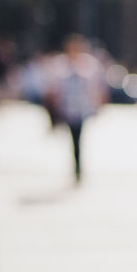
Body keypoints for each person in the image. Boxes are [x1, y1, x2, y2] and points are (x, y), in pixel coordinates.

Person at [49, 35, 106, 182]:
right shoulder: (61, 64)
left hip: (82, 108)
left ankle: (78, 167)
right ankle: (76, 166)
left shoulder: (88, 64)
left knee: (78, 137)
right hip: (68, 109)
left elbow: (96, 86)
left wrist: (98, 104)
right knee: (73, 138)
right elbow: (56, 88)